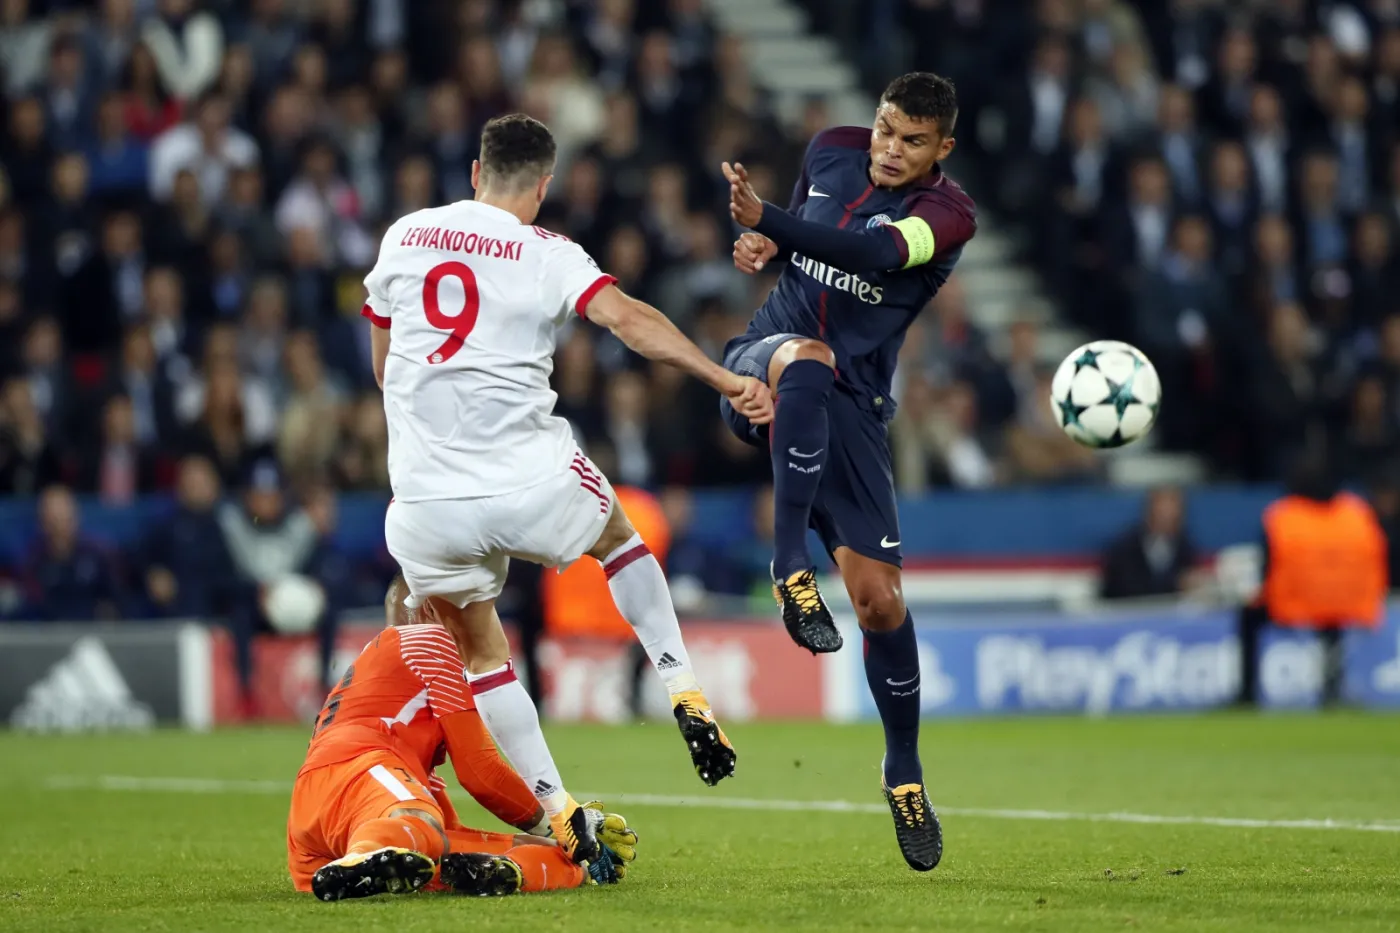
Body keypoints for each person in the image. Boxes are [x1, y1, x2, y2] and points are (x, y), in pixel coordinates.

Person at [363, 113, 772, 866]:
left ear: (475, 174)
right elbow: (629, 321)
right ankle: (682, 686)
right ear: (545, 187)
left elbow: (384, 360)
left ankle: (557, 806)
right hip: (529, 480)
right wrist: (722, 376)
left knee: (484, 650)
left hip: (423, 502)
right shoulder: (549, 252)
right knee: (621, 538)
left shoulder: (405, 235)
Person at [720, 72, 979, 871]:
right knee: (807, 353)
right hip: (762, 369)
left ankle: (902, 770)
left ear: (943, 148)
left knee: (879, 601)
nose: (888, 149)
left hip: (853, 409)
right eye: (884, 129)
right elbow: (799, 241)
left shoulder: (948, 216)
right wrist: (768, 242)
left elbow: (867, 251)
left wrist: (773, 225)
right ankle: (789, 563)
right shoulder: (830, 150)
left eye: (911, 140)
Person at [288, 574, 637, 901]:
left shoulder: (387, 675)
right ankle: (365, 856)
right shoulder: (432, 640)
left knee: (560, 861)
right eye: (474, 607)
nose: (483, 621)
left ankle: (504, 872)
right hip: (362, 773)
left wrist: (563, 842)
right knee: (419, 823)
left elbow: (446, 827)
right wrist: (563, 821)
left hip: (323, 818)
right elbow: (481, 772)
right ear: (430, 607)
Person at [1099, 486, 1200, 600]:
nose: (1171, 514)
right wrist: (1175, 585)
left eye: (1176, 508)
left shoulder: (1184, 547)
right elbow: (1124, 589)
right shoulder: (1125, 547)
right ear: (1150, 510)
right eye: (1164, 508)